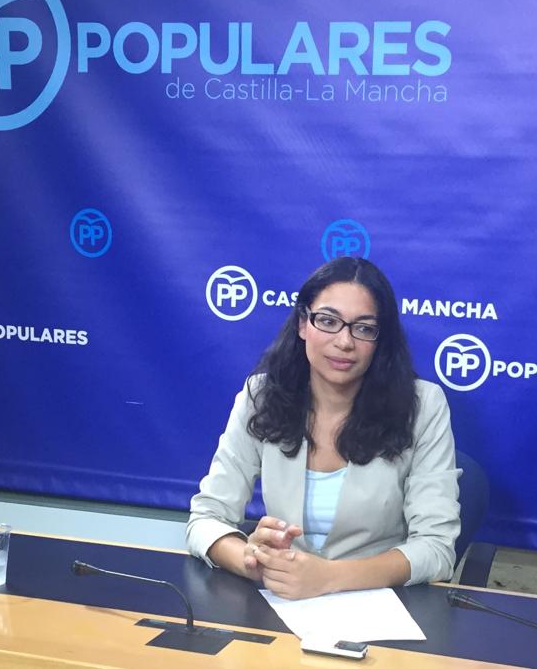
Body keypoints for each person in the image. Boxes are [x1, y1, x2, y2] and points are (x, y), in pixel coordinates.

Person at [186, 257, 460, 600]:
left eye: (363, 328)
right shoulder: (262, 396)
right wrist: (250, 560)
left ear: (380, 339)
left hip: (378, 603)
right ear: (303, 324)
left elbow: (436, 549)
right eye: (328, 321)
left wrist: (328, 577)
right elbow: (205, 519)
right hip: (283, 600)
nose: (344, 342)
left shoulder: (422, 406)